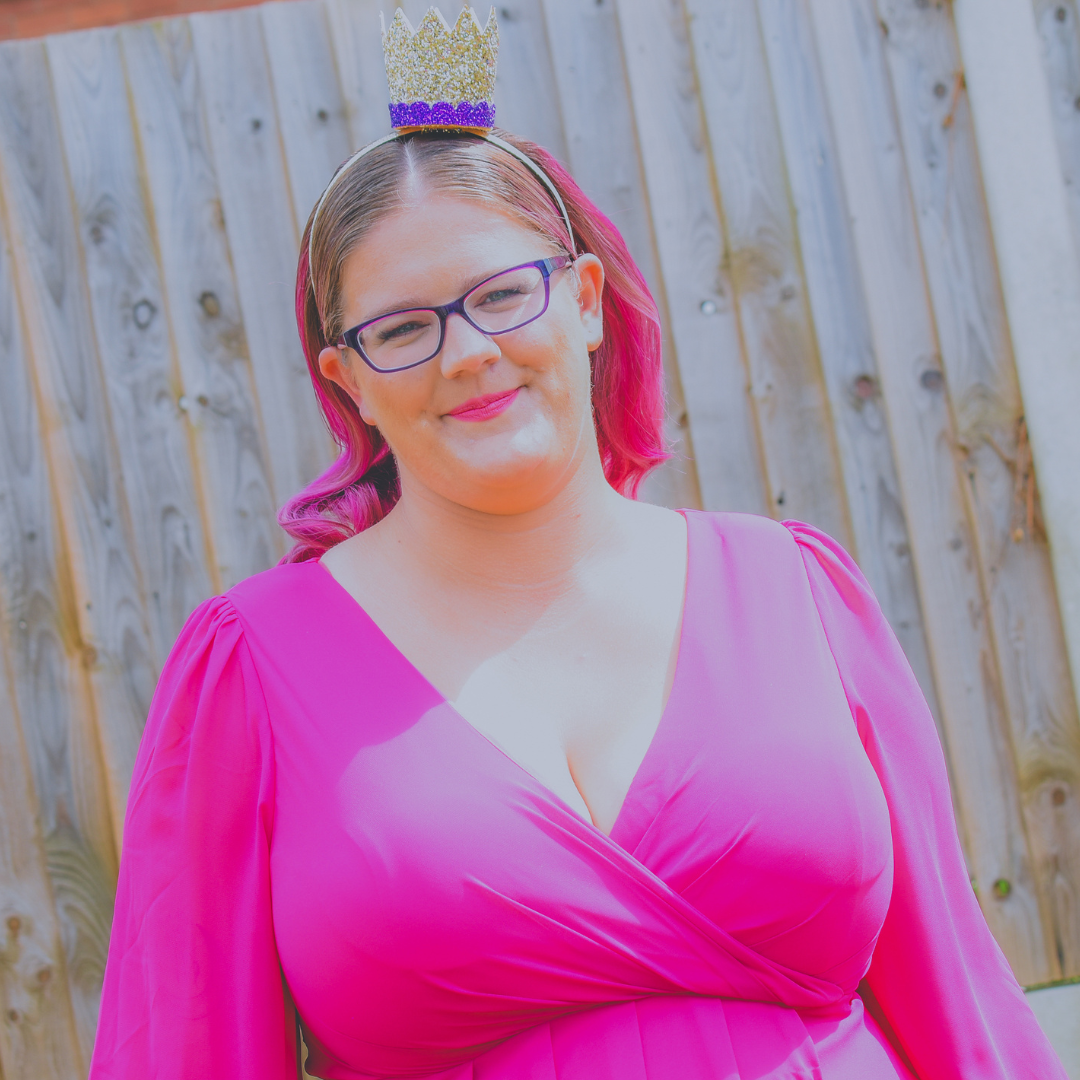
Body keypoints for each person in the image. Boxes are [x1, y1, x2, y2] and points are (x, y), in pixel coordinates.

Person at [89, 9, 1066, 1080]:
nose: (468, 353)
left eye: (505, 294)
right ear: (348, 380)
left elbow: (956, 1003)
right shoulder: (249, 671)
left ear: (586, 301)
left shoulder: (798, 596)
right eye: (403, 329)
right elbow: (184, 1049)